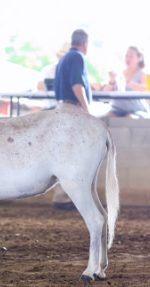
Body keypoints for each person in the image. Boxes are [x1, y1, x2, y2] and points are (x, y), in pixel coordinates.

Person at [52, 29, 91, 210]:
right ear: (85, 43)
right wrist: (86, 108)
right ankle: (64, 197)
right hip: (71, 109)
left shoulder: (64, 59)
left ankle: (62, 195)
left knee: (63, 154)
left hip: (62, 108)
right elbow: (77, 84)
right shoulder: (77, 57)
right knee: (70, 155)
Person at [101, 46, 149, 118]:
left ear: (139, 59)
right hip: (117, 109)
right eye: (126, 56)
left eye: (131, 56)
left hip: (136, 109)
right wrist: (112, 80)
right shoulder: (119, 73)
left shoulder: (142, 73)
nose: (128, 58)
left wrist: (128, 83)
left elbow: (147, 89)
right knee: (106, 118)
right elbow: (106, 90)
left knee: (129, 118)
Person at [37, 41, 70, 109]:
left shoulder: (74, 71)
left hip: (68, 109)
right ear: (58, 56)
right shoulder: (48, 70)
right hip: (51, 108)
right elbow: (39, 86)